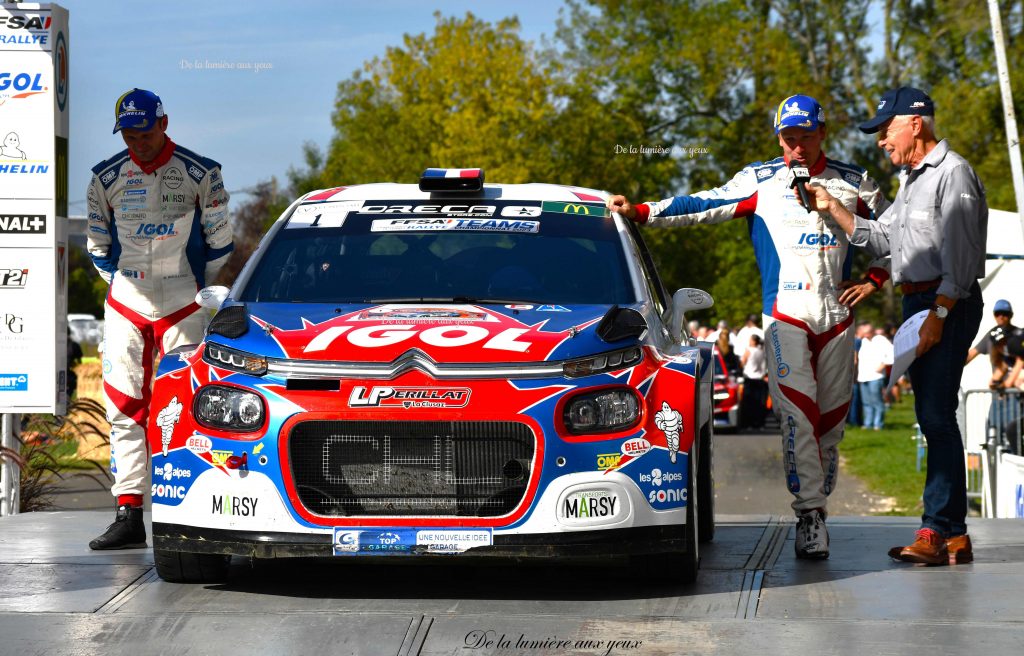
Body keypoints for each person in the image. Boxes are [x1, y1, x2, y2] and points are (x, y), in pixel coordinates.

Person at [607, 94, 890, 559]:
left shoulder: (855, 181)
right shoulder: (761, 180)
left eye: (805, 138)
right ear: (779, 138)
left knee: (831, 424)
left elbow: (894, 238)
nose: (796, 148)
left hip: (837, 318)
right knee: (798, 417)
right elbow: (703, 204)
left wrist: (874, 280)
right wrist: (641, 210)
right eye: (788, 139)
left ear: (824, 134)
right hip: (785, 315)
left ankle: (818, 500)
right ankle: (810, 516)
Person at [805, 86, 987, 565]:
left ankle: (935, 530)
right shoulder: (911, 180)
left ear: (916, 122)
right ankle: (952, 535)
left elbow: (964, 259)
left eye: (886, 130)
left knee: (934, 417)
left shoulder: (953, 173)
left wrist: (940, 314)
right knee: (935, 417)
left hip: (946, 302)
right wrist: (834, 209)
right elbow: (882, 238)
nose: (881, 140)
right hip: (921, 303)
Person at [86, 89, 233, 550]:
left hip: (184, 301)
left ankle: (189, 513)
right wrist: (127, 284)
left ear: (163, 125)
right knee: (124, 406)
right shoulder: (104, 178)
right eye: (128, 134)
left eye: (145, 132)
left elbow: (221, 243)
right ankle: (128, 513)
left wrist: (192, 288)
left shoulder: (201, 173)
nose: (138, 142)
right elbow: (97, 248)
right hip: (127, 300)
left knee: (185, 407)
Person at [856, 322, 892, 430]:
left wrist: (884, 364)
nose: (865, 335)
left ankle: (878, 424)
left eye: (867, 333)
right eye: (864, 333)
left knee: (877, 401)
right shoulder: (863, 341)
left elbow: (893, 352)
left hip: (876, 376)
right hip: (863, 376)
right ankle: (868, 424)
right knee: (866, 402)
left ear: (872, 331)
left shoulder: (881, 340)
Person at [740, 334, 768, 429]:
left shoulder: (748, 350)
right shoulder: (762, 351)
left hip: (749, 379)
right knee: (759, 403)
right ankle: (760, 423)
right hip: (760, 379)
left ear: (753, 341)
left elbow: (742, 362)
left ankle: (749, 423)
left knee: (749, 402)